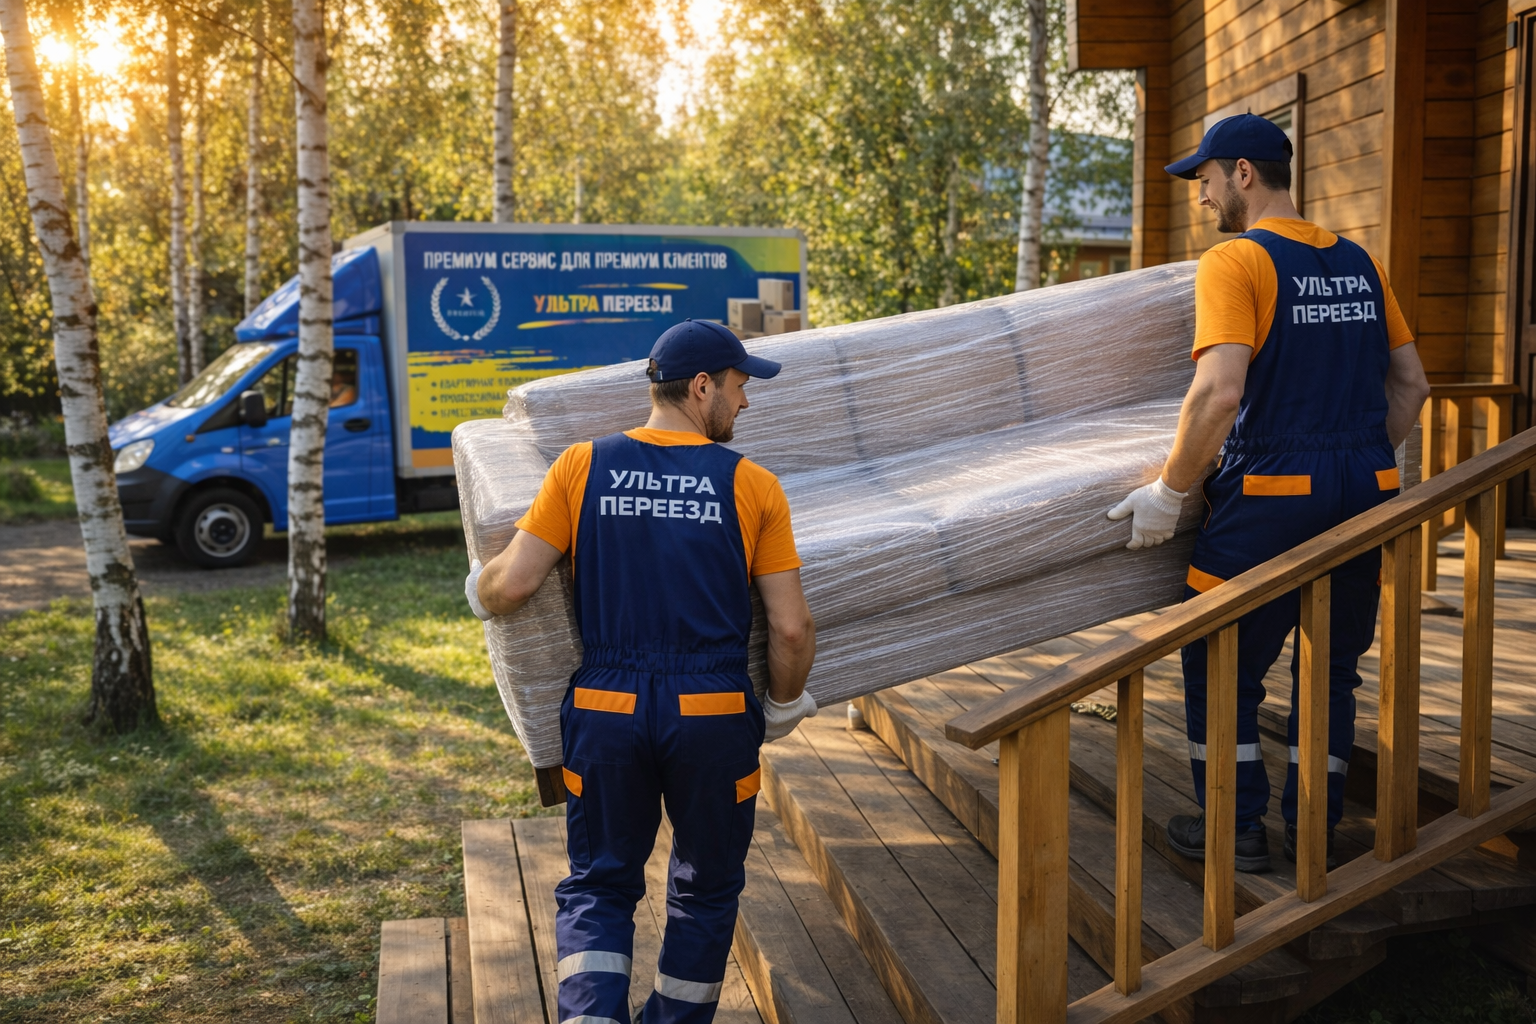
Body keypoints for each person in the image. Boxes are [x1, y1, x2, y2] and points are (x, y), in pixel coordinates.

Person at [466, 318, 819, 1024]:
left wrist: (479, 584)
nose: (744, 403)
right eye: (740, 387)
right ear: (700, 387)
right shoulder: (752, 485)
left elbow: (511, 588)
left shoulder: (581, 466)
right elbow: (789, 625)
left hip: (606, 708)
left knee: (599, 886)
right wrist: (781, 704)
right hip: (713, 716)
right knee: (707, 887)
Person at [1108, 113, 1431, 873]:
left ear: (1243, 174)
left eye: (1206, 180)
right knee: (1331, 669)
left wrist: (1168, 490)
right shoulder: (1360, 261)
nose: (1202, 197)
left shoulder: (1237, 262)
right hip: (1366, 492)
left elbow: (1219, 394)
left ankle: (1238, 829)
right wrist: (1358, 462)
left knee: (1222, 663)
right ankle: (1312, 832)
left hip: (1267, 498)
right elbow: (1412, 384)